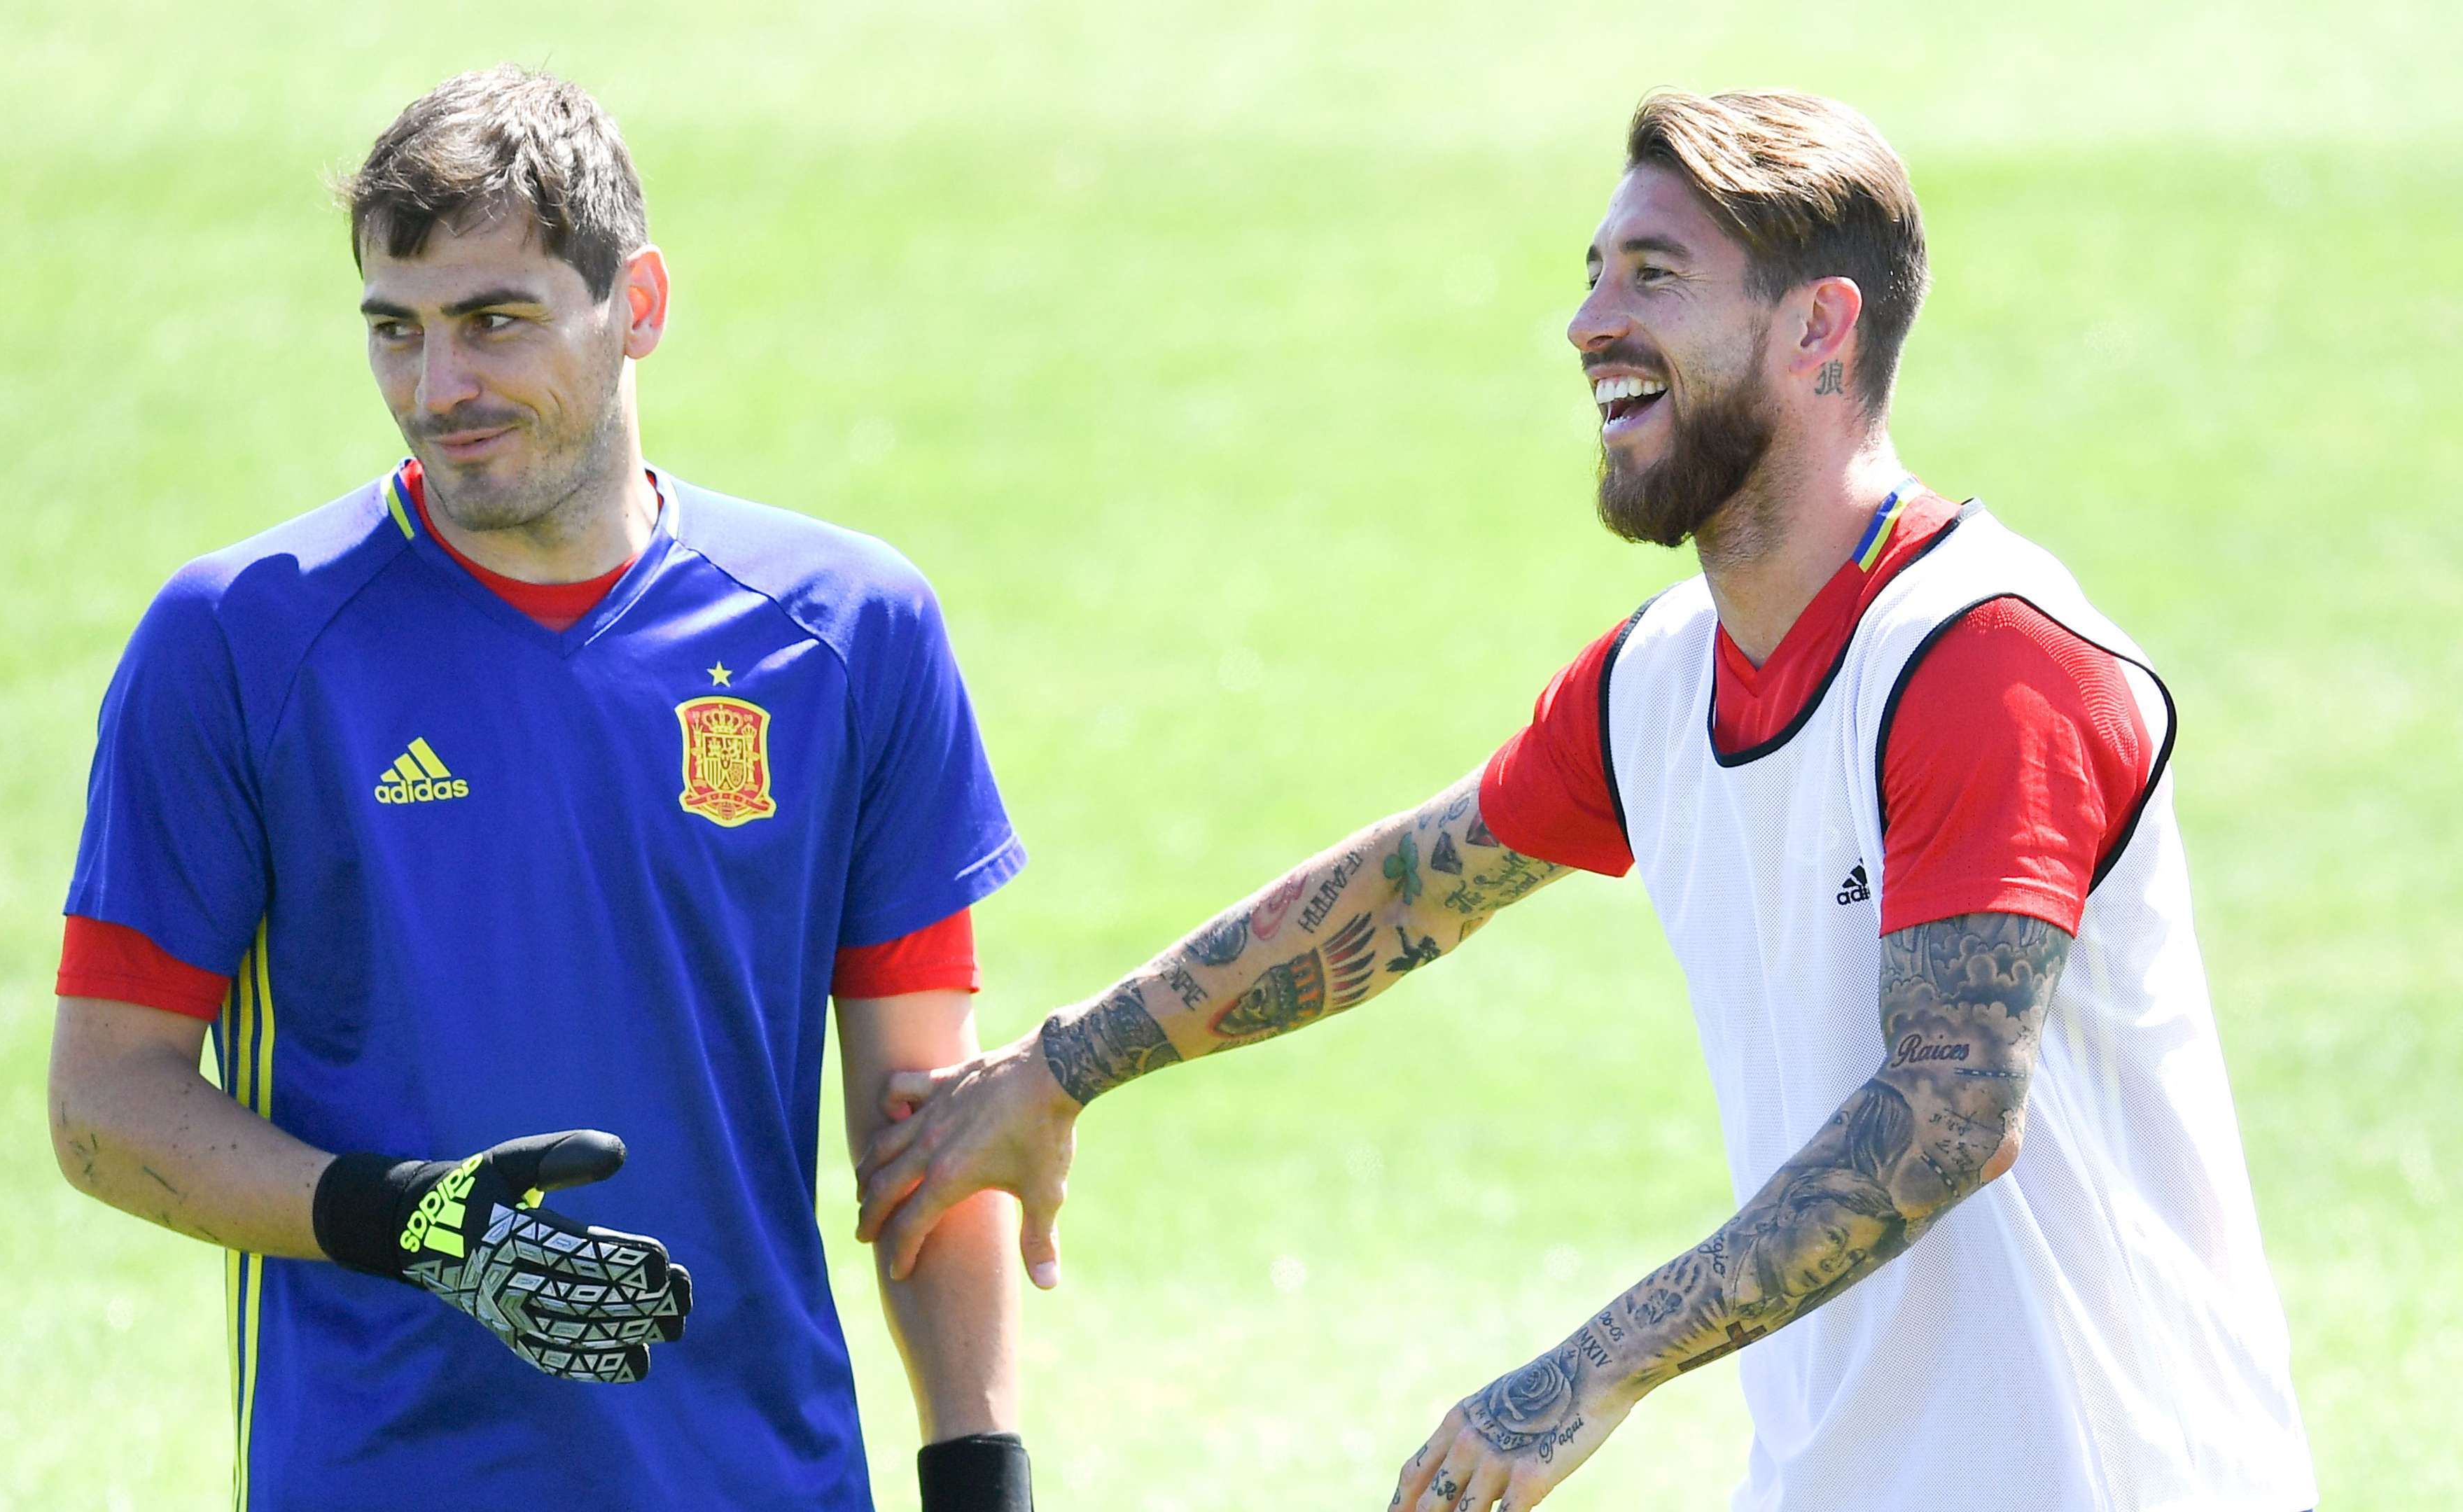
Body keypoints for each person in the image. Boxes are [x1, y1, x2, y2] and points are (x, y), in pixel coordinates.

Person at [853, 90, 2318, 1512]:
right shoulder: (1661, 680)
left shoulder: (1985, 659)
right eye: (1596, 271)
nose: (1588, 322)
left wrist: (1588, 1372)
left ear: (1819, 327)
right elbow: (1410, 888)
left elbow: (1954, 1105)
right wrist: (1059, 1069)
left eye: (1654, 275)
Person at [47, 66, 1035, 1512]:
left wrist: (979, 1469)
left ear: (639, 304)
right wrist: (409, 1220)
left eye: (494, 322)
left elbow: (926, 1125)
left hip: (763, 1484)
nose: (437, 390)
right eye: (396, 330)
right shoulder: (239, 642)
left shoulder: (848, 635)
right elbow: (101, 1106)